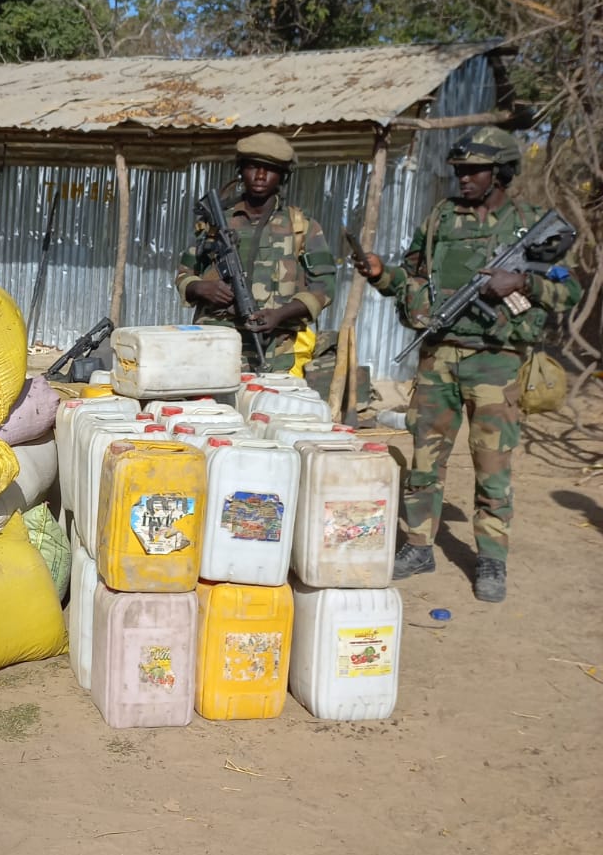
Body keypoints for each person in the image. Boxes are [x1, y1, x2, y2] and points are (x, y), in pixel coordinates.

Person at [352, 127, 582, 603]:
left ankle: (492, 559)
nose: (464, 178)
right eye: (460, 171)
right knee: (424, 459)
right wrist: (379, 274)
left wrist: (523, 283)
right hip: (439, 356)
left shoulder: (530, 222)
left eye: (474, 171)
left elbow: (569, 290)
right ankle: (419, 546)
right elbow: (410, 278)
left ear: (500, 173)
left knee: (491, 464)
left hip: (496, 364)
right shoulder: (440, 219)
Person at [176, 131, 336, 373]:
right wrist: (201, 288)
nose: (260, 176)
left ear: (282, 175)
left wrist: (280, 314)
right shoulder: (216, 224)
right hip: (215, 347)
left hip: (276, 351)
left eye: (269, 169)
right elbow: (183, 274)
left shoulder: (302, 227)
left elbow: (325, 288)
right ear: (241, 170)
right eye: (253, 167)